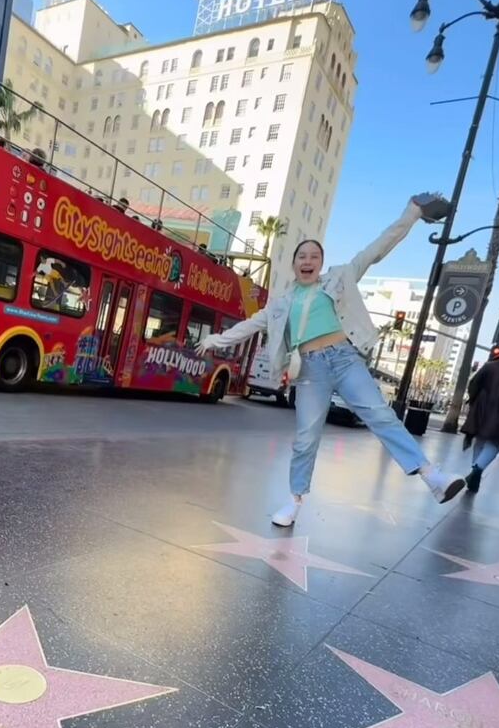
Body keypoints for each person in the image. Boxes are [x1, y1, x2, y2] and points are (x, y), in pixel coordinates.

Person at [197, 194, 465, 526]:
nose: (307, 260)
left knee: (380, 415)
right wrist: (215, 339)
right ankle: (294, 501)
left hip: (345, 359)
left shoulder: (340, 277)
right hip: (310, 370)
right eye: (302, 256)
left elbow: (377, 248)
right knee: (306, 437)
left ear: (321, 263)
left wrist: (410, 214)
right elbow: (249, 325)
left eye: (314, 255)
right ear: (294, 263)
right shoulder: (281, 303)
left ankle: (431, 476)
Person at [461, 346, 499, 492]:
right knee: (495, 444)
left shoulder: (489, 366)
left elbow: (473, 385)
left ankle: (475, 474)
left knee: (480, 441)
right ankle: (476, 472)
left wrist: (475, 401)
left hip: (482, 408)